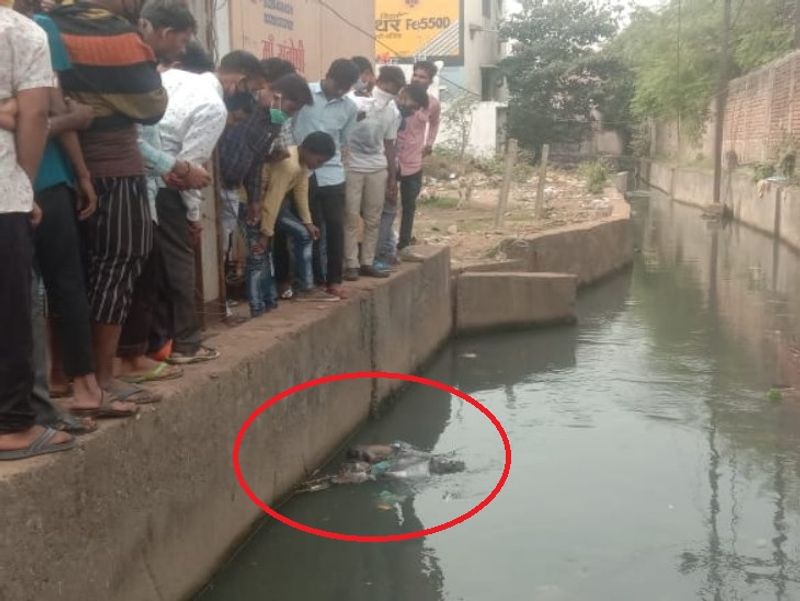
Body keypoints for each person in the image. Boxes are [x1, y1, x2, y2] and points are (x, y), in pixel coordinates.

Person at [50, 0, 169, 411]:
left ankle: (65, 377)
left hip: (64, 167)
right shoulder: (114, 33)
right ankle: (101, 379)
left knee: (71, 276)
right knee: (118, 266)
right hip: (114, 167)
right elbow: (153, 104)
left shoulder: (49, 25)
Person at [10, 0, 111, 426]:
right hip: (42, 179)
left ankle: (41, 394)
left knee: (22, 294)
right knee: (60, 284)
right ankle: (81, 388)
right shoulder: (36, 30)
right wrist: (81, 168)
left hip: (25, 181)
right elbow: (52, 107)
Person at [0, 3, 75, 458]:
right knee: (9, 314)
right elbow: (35, 116)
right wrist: (26, 187)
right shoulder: (21, 32)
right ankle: (12, 428)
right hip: (2, 192)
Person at [292, 58, 359, 299]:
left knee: (335, 226)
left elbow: (344, 140)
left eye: (345, 88)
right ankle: (310, 279)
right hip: (301, 170)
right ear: (328, 75)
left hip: (332, 172)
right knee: (309, 226)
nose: (340, 91)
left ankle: (334, 280)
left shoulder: (350, 108)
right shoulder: (304, 93)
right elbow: (286, 121)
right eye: (337, 85)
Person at [253, 132, 338, 307]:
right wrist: (266, 232)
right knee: (301, 236)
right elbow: (273, 198)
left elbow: (300, 192)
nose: (319, 166)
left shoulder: (302, 164)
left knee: (305, 233)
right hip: (258, 202)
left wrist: (308, 222)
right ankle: (304, 288)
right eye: (319, 161)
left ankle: (296, 288)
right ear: (308, 150)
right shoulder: (289, 164)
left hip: (273, 204)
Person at [343, 65, 405, 281]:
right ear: (379, 82)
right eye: (388, 88)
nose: (390, 93)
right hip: (352, 166)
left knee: (373, 218)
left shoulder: (392, 111)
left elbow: (389, 144)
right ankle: (351, 263)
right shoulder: (353, 102)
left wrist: (392, 178)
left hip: (377, 167)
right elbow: (343, 133)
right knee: (350, 217)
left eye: (395, 90)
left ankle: (367, 262)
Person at [375, 83, 429, 270]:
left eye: (416, 109)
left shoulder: (402, 117)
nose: (412, 111)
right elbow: (388, 145)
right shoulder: (388, 111)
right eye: (412, 106)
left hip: (410, 164)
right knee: (384, 210)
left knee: (404, 207)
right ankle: (381, 252)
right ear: (403, 96)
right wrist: (391, 175)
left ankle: (396, 247)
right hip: (384, 166)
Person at [395, 60, 441, 253]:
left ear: (430, 81)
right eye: (415, 74)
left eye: (422, 77)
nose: (417, 79)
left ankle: (404, 244)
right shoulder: (399, 96)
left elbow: (435, 123)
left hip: (414, 160)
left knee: (409, 204)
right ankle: (385, 243)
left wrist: (429, 143)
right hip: (392, 158)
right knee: (384, 204)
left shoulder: (432, 103)